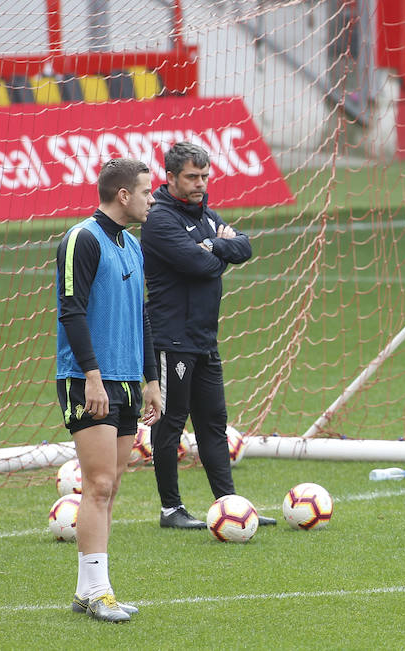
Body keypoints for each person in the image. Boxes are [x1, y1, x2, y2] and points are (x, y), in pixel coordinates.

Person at [140, 142, 276, 528]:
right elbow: (200, 266)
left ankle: (229, 504)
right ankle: (171, 509)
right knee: (170, 422)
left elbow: (244, 247)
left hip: (203, 339)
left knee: (214, 422)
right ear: (170, 178)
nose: (200, 183)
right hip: (171, 339)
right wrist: (220, 250)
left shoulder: (204, 215)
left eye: (204, 176)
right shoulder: (160, 219)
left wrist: (214, 244)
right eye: (192, 177)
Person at [56, 158, 162, 622]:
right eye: (146, 192)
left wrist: (151, 379)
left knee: (111, 485)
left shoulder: (132, 245)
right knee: (98, 484)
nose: (151, 200)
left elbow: (142, 316)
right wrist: (92, 375)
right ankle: (99, 592)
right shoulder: (82, 238)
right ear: (123, 195)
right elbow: (71, 311)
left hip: (126, 380)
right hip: (88, 380)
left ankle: (88, 591)